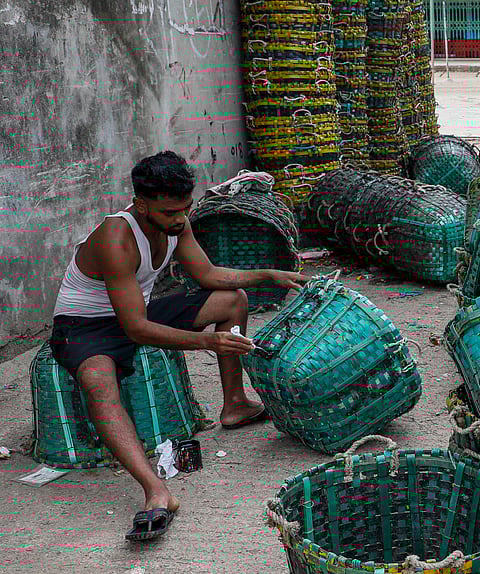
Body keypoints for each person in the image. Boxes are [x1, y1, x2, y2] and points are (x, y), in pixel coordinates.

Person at [49, 151, 308, 541]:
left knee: (232, 300)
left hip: (135, 310)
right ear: (141, 204)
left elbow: (208, 274)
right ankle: (156, 490)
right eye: (171, 212)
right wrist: (207, 340)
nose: (181, 219)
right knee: (98, 383)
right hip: (84, 326)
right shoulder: (116, 238)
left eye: (186, 208)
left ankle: (235, 404)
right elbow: (136, 329)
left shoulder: (175, 224)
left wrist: (269, 274)